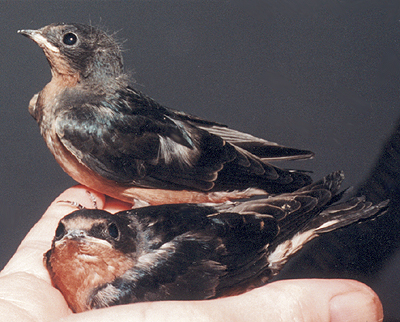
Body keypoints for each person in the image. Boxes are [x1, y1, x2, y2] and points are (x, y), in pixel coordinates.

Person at [0, 186, 383, 322]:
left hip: (251, 252)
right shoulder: (56, 266)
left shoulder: (116, 292)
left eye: (106, 231)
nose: (77, 239)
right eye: (63, 234)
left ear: (123, 233)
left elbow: (212, 224)